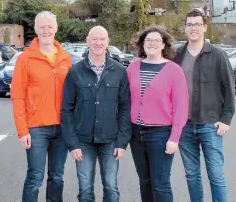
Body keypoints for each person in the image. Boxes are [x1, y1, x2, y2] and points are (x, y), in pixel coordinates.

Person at [61, 26, 131, 202]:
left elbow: (125, 107)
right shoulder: (75, 71)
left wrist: (122, 142)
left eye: (102, 39)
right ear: (87, 40)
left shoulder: (119, 71)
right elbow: (66, 109)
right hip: (83, 141)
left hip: (110, 140)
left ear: (108, 41)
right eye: (94, 39)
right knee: (85, 190)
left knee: (111, 188)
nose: (98, 43)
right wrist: (72, 143)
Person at [174, 8, 235, 202]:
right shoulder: (177, 56)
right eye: (190, 24)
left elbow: (229, 88)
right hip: (184, 126)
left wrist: (226, 119)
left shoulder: (217, 55)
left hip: (210, 124)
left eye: (197, 24)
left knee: (216, 175)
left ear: (205, 27)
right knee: (192, 175)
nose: (193, 28)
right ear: (185, 28)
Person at [11, 11, 72, 202]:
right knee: (35, 177)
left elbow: (73, 96)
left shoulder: (66, 58)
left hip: (61, 128)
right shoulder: (25, 59)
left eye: (50, 27)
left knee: (57, 177)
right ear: (36, 29)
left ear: (56, 29)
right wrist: (22, 131)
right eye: (42, 27)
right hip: (36, 128)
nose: (46, 30)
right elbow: (18, 96)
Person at [127, 26, 189, 202]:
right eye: (148, 40)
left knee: (160, 183)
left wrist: (175, 137)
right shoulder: (133, 67)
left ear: (164, 45)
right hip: (136, 133)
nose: (152, 43)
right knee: (145, 180)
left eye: (156, 40)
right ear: (142, 44)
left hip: (160, 134)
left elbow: (181, 106)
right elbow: (125, 99)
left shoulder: (174, 70)